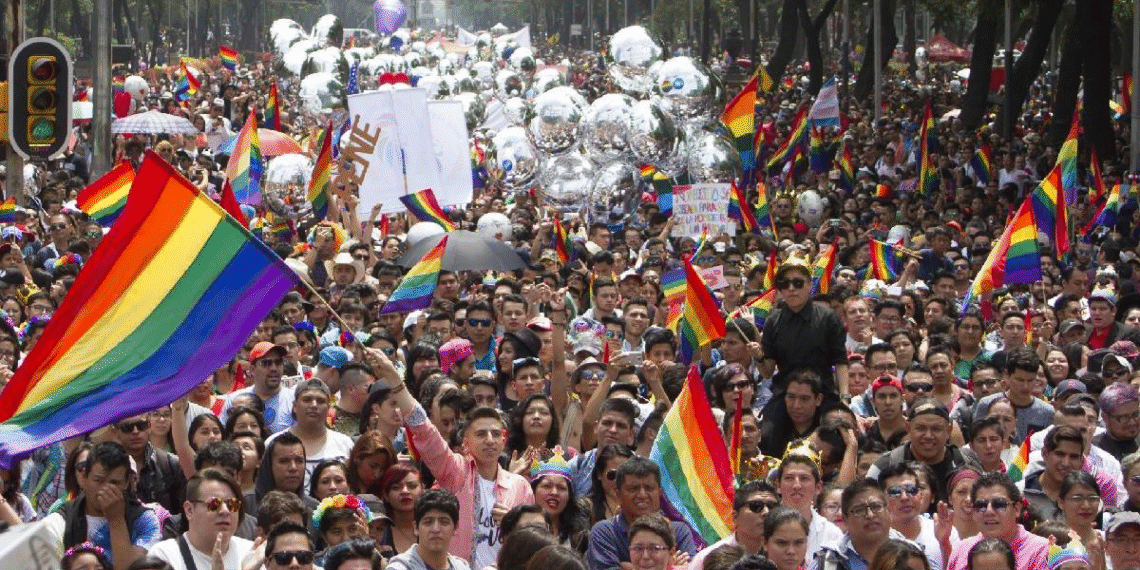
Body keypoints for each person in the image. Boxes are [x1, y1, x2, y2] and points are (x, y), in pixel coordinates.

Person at [363, 347, 533, 569]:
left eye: (495, 434)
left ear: (504, 441)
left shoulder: (519, 487)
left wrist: (515, 523)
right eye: (481, 434)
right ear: (466, 442)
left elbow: (533, 542)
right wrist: (395, 379)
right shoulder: (455, 472)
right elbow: (423, 429)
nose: (490, 440)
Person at [43, 441, 161, 569]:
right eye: (98, 480)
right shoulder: (60, 522)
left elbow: (133, 567)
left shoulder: (145, 520)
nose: (105, 489)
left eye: (114, 482)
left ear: (127, 482)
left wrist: (116, 521)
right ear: (85, 477)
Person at [759, 254, 849, 403]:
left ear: (809, 285)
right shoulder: (772, 321)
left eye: (798, 283)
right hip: (785, 396)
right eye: (785, 284)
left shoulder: (828, 318)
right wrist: (758, 357)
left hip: (823, 395)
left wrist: (845, 397)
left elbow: (840, 361)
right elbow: (768, 372)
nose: (791, 289)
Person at [586, 456, 697, 570]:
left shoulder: (679, 531)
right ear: (618, 495)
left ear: (659, 493)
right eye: (633, 489)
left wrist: (627, 567)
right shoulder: (604, 532)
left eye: (649, 488)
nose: (642, 495)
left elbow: (690, 567)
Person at [147, 469, 254, 570]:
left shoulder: (250, 554)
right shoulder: (164, 557)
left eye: (232, 504)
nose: (225, 511)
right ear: (189, 510)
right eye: (214, 504)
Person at [944, 471, 1049, 570]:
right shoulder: (960, 551)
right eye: (981, 505)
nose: (989, 511)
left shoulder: (1041, 551)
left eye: (999, 504)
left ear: (1017, 509)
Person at [264, 379, 355, 489]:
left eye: (320, 401)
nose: (314, 405)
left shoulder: (345, 443)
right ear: (295, 406)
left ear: (328, 408)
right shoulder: (274, 442)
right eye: (307, 400)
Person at [971, 348, 1054, 443]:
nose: (1025, 386)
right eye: (1020, 380)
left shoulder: (1047, 412)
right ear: (1007, 375)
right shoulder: (986, 404)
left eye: (1030, 380)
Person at [690, 480, 777, 570]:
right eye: (756, 506)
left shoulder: (783, 556)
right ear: (735, 517)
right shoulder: (705, 559)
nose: (766, 512)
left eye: (772, 506)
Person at [773, 453, 843, 565]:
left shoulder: (831, 533)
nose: (797, 486)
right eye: (789, 478)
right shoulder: (763, 526)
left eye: (804, 479)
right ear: (778, 486)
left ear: (818, 487)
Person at [384, 489, 471, 570]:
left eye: (444, 522)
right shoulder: (399, 568)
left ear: (455, 528)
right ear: (416, 528)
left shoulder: (462, 567)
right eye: (428, 522)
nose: (436, 529)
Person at [220, 342, 295, 434]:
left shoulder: (294, 401)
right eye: (266, 363)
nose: (274, 368)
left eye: (278, 362)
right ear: (252, 369)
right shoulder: (234, 400)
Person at [877, 463, 942, 570]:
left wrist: (944, 544)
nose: (904, 497)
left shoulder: (942, 531)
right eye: (895, 491)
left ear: (920, 495)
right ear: (882, 499)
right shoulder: (875, 538)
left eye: (911, 490)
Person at [1094, 382, 1140, 458]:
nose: (1132, 422)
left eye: (1136, 414)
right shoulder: (1093, 450)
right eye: (1124, 418)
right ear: (1105, 417)